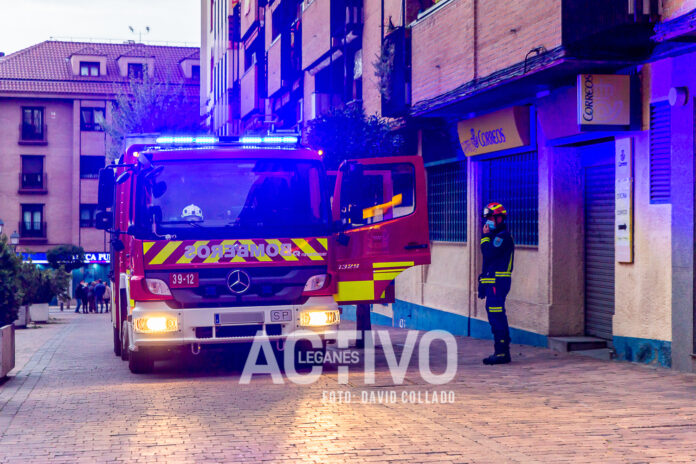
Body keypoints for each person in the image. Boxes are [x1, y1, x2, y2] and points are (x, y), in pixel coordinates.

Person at [478, 202, 515, 365]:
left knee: (497, 316)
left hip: (498, 284)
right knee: (494, 316)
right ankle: (501, 350)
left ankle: (502, 353)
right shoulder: (495, 237)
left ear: (499, 218)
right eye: (487, 219)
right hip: (493, 284)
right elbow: (489, 264)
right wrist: (483, 282)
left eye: (491, 218)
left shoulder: (502, 237)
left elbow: (489, 253)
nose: (488, 222)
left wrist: (484, 237)